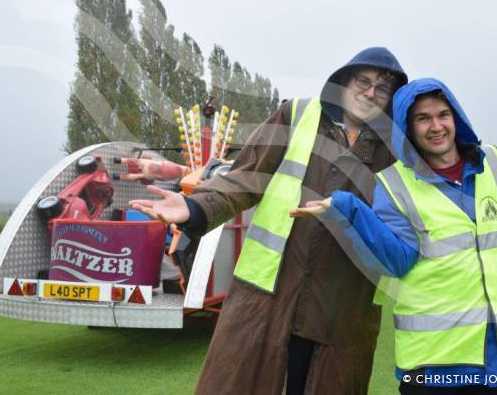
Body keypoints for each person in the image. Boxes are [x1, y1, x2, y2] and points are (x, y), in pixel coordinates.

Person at [292, 77, 497, 394]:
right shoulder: (394, 185)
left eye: (442, 114)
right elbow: (396, 261)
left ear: (456, 117)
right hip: (433, 366)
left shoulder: (495, 164)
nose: (436, 126)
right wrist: (346, 208)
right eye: (422, 118)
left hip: (495, 361)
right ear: (408, 129)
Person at [129, 47, 408, 394]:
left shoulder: (396, 148)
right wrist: (195, 207)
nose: (369, 93)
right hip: (269, 295)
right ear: (343, 83)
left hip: (344, 309)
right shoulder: (297, 114)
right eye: (362, 82)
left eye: (381, 89)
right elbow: (246, 176)